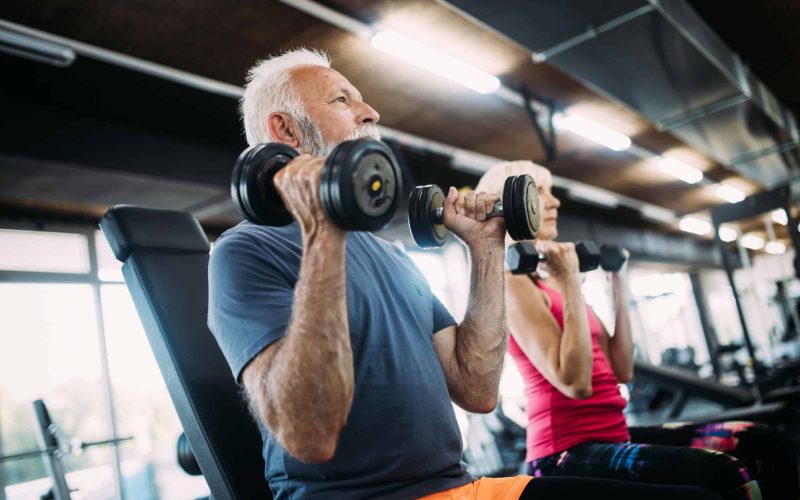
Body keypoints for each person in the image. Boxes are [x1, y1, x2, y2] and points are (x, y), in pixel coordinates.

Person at [207, 48, 730, 500]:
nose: (371, 111)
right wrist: (322, 229)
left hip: (461, 486)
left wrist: (484, 249)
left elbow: (477, 390)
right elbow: (310, 434)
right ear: (284, 129)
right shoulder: (244, 253)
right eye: (342, 100)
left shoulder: (392, 257)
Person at [476, 160, 799, 500]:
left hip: (613, 433)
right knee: (725, 474)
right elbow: (576, 383)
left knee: (766, 443)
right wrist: (571, 282)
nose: (555, 202)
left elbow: (622, 369)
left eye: (552, 191)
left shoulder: (554, 279)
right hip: (563, 453)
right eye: (539, 192)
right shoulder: (513, 284)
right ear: (508, 203)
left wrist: (618, 281)